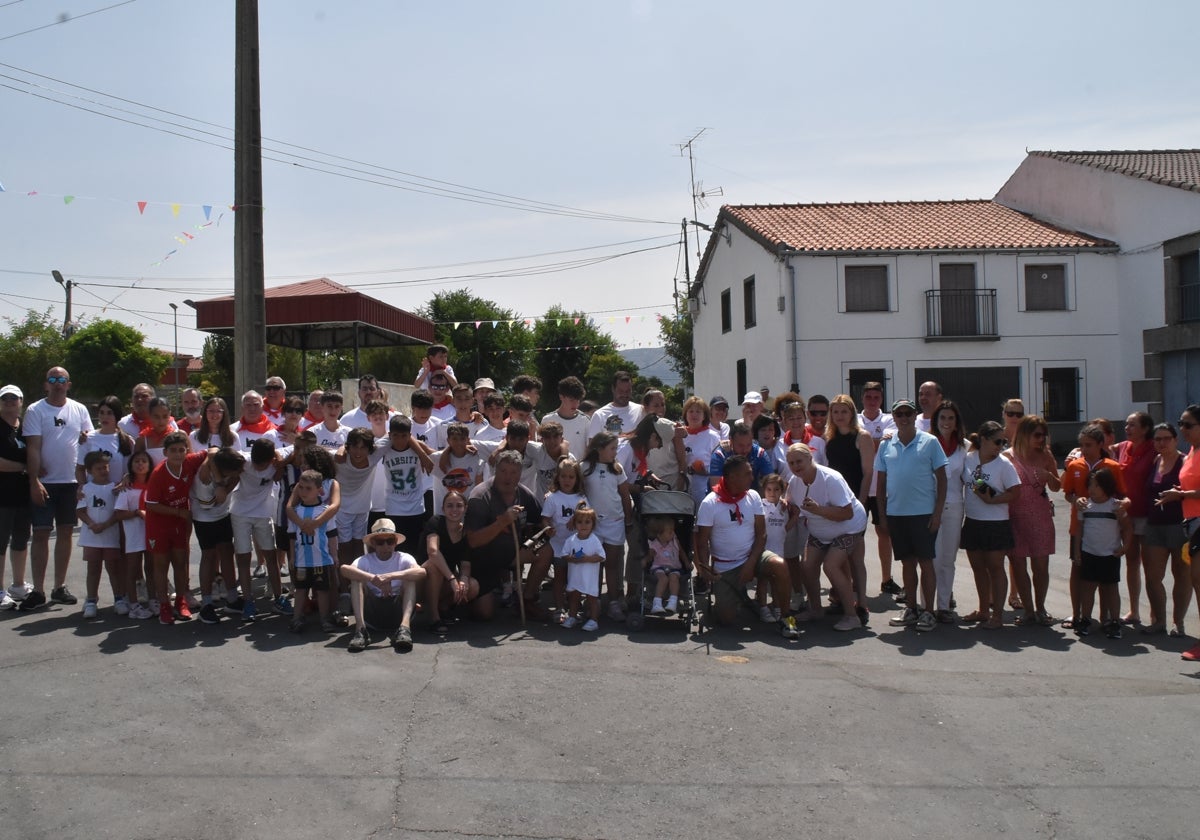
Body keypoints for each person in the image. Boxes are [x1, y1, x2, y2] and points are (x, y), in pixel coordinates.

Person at [694, 455, 799, 638]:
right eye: (748, 474)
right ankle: (739, 596)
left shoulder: (753, 496)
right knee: (726, 620)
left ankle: (787, 619)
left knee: (781, 566)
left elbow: (761, 535)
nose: (753, 478)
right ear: (732, 477)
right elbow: (702, 542)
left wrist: (751, 563)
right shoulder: (710, 502)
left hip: (753, 557)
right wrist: (704, 569)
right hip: (725, 566)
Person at [23, 366, 94, 611]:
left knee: (65, 533)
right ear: (46, 384)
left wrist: (85, 481)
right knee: (41, 534)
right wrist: (34, 480)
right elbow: (32, 447)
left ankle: (59, 587)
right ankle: (39, 590)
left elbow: (88, 440)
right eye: (52, 379)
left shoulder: (79, 409)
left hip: (71, 484)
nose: (56, 383)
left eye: (61, 379)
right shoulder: (35, 410)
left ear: (68, 384)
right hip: (45, 484)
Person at [877, 398, 947, 633]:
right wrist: (883, 515)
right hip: (896, 514)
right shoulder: (886, 445)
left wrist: (937, 513)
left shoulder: (930, 442)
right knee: (907, 563)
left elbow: (943, 480)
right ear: (894, 417)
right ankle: (911, 608)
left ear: (914, 415)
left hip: (923, 514)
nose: (904, 418)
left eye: (908, 413)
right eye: (899, 414)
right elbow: (881, 482)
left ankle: (928, 612)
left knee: (926, 563)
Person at [785, 443, 869, 632]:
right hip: (819, 530)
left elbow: (847, 513)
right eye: (791, 463)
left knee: (831, 566)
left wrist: (818, 510)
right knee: (806, 566)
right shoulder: (794, 482)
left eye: (799, 461)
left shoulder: (831, 478)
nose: (796, 466)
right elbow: (792, 504)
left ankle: (851, 615)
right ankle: (815, 609)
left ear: (810, 458)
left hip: (849, 527)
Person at [465, 450, 553, 620]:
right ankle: (469, 596)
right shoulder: (480, 496)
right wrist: (501, 522)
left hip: (512, 554)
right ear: (495, 470)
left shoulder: (524, 494)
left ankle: (527, 600)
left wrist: (547, 527)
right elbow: (473, 541)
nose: (508, 477)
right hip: (483, 560)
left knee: (546, 549)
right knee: (484, 614)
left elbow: (539, 521)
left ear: (520, 473)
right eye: (503, 471)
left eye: (514, 472)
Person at [1061, 425, 1125, 630]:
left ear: (1100, 444)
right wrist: (1075, 499)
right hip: (1079, 527)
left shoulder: (1112, 466)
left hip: (1106, 530)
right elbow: (1067, 492)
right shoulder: (1074, 466)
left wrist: (1125, 506)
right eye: (1081, 445)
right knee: (1078, 570)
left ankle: (1107, 616)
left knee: (1107, 579)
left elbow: (1122, 495)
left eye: (1088, 445)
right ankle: (1077, 613)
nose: (1084, 449)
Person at [958, 422, 1021, 629]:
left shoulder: (1004, 464)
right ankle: (983, 610)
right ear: (983, 439)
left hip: (996, 523)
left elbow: (1015, 492)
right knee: (978, 568)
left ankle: (998, 615)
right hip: (973, 521)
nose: (1000, 446)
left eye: (1003, 442)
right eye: (997, 441)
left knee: (995, 568)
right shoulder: (968, 459)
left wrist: (994, 500)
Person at [143, 431, 208, 624]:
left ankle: (181, 601)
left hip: (179, 525)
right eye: (173, 451)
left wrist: (205, 466)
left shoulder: (189, 462)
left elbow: (211, 451)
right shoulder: (158, 474)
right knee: (161, 565)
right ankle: (164, 605)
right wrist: (180, 513)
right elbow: (151, 504)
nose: (178, 454)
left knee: (181, 563)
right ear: (165, 452)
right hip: (159, 525)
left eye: (182, 450)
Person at [1003, 415, 1061, 626]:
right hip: (1015, 516)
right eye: (1037, 435)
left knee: (1040, 564)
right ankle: (1028, 610)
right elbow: (983, 479)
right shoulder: (1008, 457)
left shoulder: (1046, 455)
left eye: (1043, 435)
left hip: (1040, 515)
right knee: (1018, 563)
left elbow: (1057, 486)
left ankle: (1041, 608)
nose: (1041, 439)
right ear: (1025, 434)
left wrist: (1048, 476)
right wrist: (983, 494)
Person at [1155, 405, 1200, 661]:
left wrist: (1180, 495)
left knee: (1198, 579)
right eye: (1181, 423)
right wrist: (1179, 492)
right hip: (1191, 522)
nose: (1182, 428)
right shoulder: (1193, 451)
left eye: (1188, 424)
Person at [342, 518, 426, 651]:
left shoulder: (403, 558)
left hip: (397, 609)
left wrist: (390, 577)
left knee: (410, 578)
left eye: (390, 541)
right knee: (356, 578)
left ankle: (404, 628)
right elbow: (345, 569)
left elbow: (421, 572)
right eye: (381, 542)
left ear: (396, 542)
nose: (386, 546)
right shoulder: (366, 560)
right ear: (373, 543)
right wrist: (373, 579)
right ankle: (360, 630)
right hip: (373, 612)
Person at [825, 394, 875, 612]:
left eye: (844, 411)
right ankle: (842, 598)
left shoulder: (862, 437)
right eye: (835, 412)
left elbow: (868, 473)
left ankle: (862, 603)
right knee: (840, 556)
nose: (839, 416)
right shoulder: (830, 438)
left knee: (856, 557)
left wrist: (861, 504)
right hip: (836, 505)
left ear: (852, 413)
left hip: (855, 504)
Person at [229, 437, 286, 621]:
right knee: (244, 558)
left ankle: (278, 598)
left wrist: (280, 460)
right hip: (240, 514)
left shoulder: (276, 463)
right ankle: (248, 601)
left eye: (263, 464)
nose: (258, 467)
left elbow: (295, 449)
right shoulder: (243, 460)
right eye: (256, 463)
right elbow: (216, 454)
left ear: (271, 460)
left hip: (263, 513)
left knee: (271, 556)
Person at [580, 431, 634, 619]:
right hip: (592, 524)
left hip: (614, 523)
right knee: (593, 564)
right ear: (599, 448)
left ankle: (613, 602)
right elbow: (578, 493)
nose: (615, 452)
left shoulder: (617, 469)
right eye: (612, 448)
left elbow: (625, 495)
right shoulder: (584, 467)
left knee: (611, 564)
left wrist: (628, 519)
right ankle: (592, 602)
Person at [1074, 468, 1133, 640]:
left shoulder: (1116, 505)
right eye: (1090, 485)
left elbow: (1128, 527)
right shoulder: (1084, 505)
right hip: (1089, 552)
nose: (1092, 489)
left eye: (1097, 486)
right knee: (1087, 588)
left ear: (1107, 487)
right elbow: (1079, 529)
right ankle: (1085, 619)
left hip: (1110, 554)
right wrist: (1077, 551)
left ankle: (1114, 621)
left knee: (1111, 589)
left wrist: (1125, 546)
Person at [190, 447, 244, 624]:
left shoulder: (226, 465)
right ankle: (206, 605)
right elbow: (209, 504)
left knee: (228, 552)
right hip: (205, 517)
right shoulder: (204, 479)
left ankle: (232, 598)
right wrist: (223, 489)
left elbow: (213, 452)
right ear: (224, 469)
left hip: (223, 514)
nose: (240, 473)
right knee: (209, 556)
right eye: (235, 471)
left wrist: (225, 486)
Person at [284, 468, 342, 633]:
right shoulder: (296, 512)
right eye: (300, 487)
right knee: (300, 589)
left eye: (308, 488)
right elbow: (292, 536)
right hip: (302, 560)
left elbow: (332, 535)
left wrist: (334, 555)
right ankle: (296, 618)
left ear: (319, 490)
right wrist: (292, 557)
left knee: (322, 591)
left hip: (321, 560)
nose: (303, 491)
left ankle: (324, 618)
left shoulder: (325, 512)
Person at [1142, 423, 1186, 636]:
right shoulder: (1155, 460)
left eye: (1166, 438)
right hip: (1154, 525)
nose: (1161, 443)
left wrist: (1180, 493)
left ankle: (1179, 622)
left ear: (1175, 439)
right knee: (1152, 577)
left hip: (1179, 525)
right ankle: (1159, 621)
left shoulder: (1184, 461)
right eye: (1157, 439)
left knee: (1181, 575)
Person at [1113, 411, 1155, 624]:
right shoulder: (1121, 447)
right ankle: (1134, 611)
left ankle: (1155, 614)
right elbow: (1103, 447)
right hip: (1126, 515)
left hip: (1147, 514)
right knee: (1131, 562)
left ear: (1145, 428)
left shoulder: (1154, 449)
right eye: (1127, 424)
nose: (1127, 428)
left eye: (1132, 425)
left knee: (1150, 564)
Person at [858, 381, 898, 600]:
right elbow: (875, 444)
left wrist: (865, 442)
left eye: (876, 397)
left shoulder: (890, 419)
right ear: (862, 398)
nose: (872, 401)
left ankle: (886, 579)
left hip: (883, 488)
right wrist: (875, 441)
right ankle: (857, 579)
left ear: (881, 400)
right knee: (857, 534)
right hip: (861, 485)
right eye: (868, 397)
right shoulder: (855, 418)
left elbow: (886, 446)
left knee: (885, 533)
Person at [930, 400, 968, 622]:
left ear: (956, 422)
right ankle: (926, 605)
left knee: (947, 559)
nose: (946, 422)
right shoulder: (926, 443)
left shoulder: (964, 447)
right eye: (942, 418)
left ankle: (943, 606)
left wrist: (993, 493)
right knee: (931, 559)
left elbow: (973, 476)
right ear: (936, 421)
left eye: (950, 418)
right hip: (929, 508)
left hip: (954, 507)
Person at [421, 490, 478, 633]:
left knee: (473, 585)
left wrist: (463, 579)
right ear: (443, 509)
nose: (454, 510)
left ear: (465, 508)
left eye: (459, 506)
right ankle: (433, 617)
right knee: (435, 566)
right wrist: (453, 579)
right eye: (450, 505)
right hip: (424, 578)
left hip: (446, 580)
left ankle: (444, 607)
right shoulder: (435, 522)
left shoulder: (465, 531)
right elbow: (432, 551)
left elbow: (465, 563)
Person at [75, 451, 124, 619]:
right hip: (92, 537)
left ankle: (119, 599)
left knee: (114, 568)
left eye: (105, 467)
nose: (103, 471)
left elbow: (119, 512)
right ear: (89, 471)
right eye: (98, 468)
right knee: (93, 568)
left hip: (110, 535)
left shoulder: (116, 488)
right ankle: (91, 600)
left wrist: (106, 525)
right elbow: (80, 511)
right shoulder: (85, 489)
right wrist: (91, 524)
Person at [541, 457, 587, 617]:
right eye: (563, 476)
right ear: (558, 477)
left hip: (578, 547)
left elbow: (588, 516)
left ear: (577, 479)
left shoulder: (581, 498)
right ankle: (560, 607)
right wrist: (547, 528)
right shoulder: (553, 497)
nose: (567, 480)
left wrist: (576, 518)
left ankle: (574, 607)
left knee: (575, 576)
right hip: (559, 545)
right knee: (559, 577)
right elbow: (545, 518)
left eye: (571, 477)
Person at [380, 415, 435, 548]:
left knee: (415, 547)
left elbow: (437, 457)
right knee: (396, 547)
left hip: (416, 506)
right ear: (389, 435)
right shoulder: (384, 448)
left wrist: (424, 455)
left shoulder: (418, 447)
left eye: (404, 436)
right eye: (396, 436)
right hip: (394, 507)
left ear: (410, 436)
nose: (399, 440)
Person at [113, 450, 155, 620]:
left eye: (143, 461)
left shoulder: (153, 486)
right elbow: (119, 514)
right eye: (136, 461)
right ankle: (133, 604)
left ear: (149, 465)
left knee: (151, 568)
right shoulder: (127, 489)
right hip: (133, 535)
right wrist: (137, 512)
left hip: (151, 533)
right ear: (131, 465)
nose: (140, 464)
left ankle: (154, 600)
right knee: (133, 569)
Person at [0, 384, 31, 610]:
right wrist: (24, 467)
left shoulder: (25, 428)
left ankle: (18, 585)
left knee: (21, 540)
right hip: (2, 495)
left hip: (23, 494)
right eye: (5, 398)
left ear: (21, 401)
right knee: (0, 543)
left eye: (14, 398)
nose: (10, 401)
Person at [560, 504, 605, 631]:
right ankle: (573, 616)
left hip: (589, 576)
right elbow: (564, 555)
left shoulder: (594, 540)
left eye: (587, 522)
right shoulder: (571, 540)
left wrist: (587, 559)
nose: (583, 525)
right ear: (574, 524)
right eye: (579, 522)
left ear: (593, 524)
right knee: (574, 596)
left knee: (592, 598)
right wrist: (572, 558)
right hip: (575, 575)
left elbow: (601, 556)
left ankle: (593, 620)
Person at [77, 396, 135, 489]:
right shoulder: (88, 438)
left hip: (119, 495)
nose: (105, 417)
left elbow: (132, 471)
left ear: (117, 415)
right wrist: (84, 488)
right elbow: (80, 469)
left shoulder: (128, 441)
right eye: (102, 413)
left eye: (109, 413)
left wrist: (125, 481)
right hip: (95, 496)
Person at [709, 421, 774, 493]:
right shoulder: (720, 455)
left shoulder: (759, 453)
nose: (745, 450)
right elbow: (716, 488)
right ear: (731, 441)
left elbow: (771, 481)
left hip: (751, 497)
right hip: (724, 499)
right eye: (741, 445)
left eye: (749, 445)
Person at [681, 396, 722, 508]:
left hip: (704, 489)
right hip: (681, 487)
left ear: (704, 415)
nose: (694, 414)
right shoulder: (679, 435)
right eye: (691, 411)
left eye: (698, 412)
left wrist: (705, 471)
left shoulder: (713, 437)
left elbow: (720, 465)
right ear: (685, 414)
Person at [645, 514, 687, 616]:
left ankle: (672, 602)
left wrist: (686, 562)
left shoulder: (674, 540)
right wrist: (645, 560)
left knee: (674, 578)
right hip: (659, 567)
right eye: (669, 532)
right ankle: (657, 603)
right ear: (659, 534)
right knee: (663, 578)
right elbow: (650, 556)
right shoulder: (654, 544)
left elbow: (681, 552)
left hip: (674, 567)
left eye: (673, 530)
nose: (673, 533)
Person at [587, 370, 641, 443]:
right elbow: (592, 447)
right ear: (613, 389)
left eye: (628, 391)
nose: (625, 394)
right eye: (621, 391)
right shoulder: (600, 415)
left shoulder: (640, 410)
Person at [543, 376, 590, 458]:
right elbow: (542, 448)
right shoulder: (547, 420)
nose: (575, 404)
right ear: (561, 397)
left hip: (578, 469)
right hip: (553, 469)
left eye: (578, 400)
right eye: (571, 400)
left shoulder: (585, 420)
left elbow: (589, 448)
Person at [133, 396, 177, 467]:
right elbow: (136, 466)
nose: (161, 421)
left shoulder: (178, 436)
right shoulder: (142, 440)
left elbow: (188, 463)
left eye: (165, 416)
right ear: (149, 415)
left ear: (170, 414)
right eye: (156, 417)